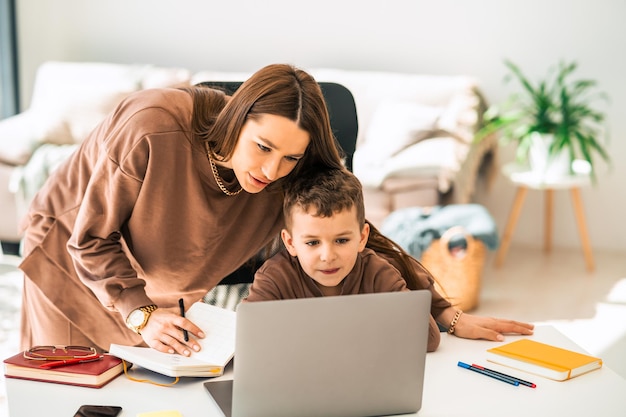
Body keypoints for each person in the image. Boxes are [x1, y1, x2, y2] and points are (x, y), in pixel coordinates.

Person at [18, 63, 345, 357]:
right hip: (68, 265)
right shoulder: (151, 125)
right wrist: (141, 313)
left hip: (160, 294)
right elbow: (91, 238)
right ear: (237, 119)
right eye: (263, 147)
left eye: (290, 157)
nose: (273, 170)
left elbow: (339, 230)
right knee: (67, 396)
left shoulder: (292, 176)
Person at [245, 168, 534, 351]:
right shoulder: (275, 277)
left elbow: (429, 339)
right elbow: (248, 337)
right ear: (290, 242)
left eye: (342, 240)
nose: (328, 255)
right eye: (312, 242)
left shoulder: (376, 271)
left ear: (362, 237)